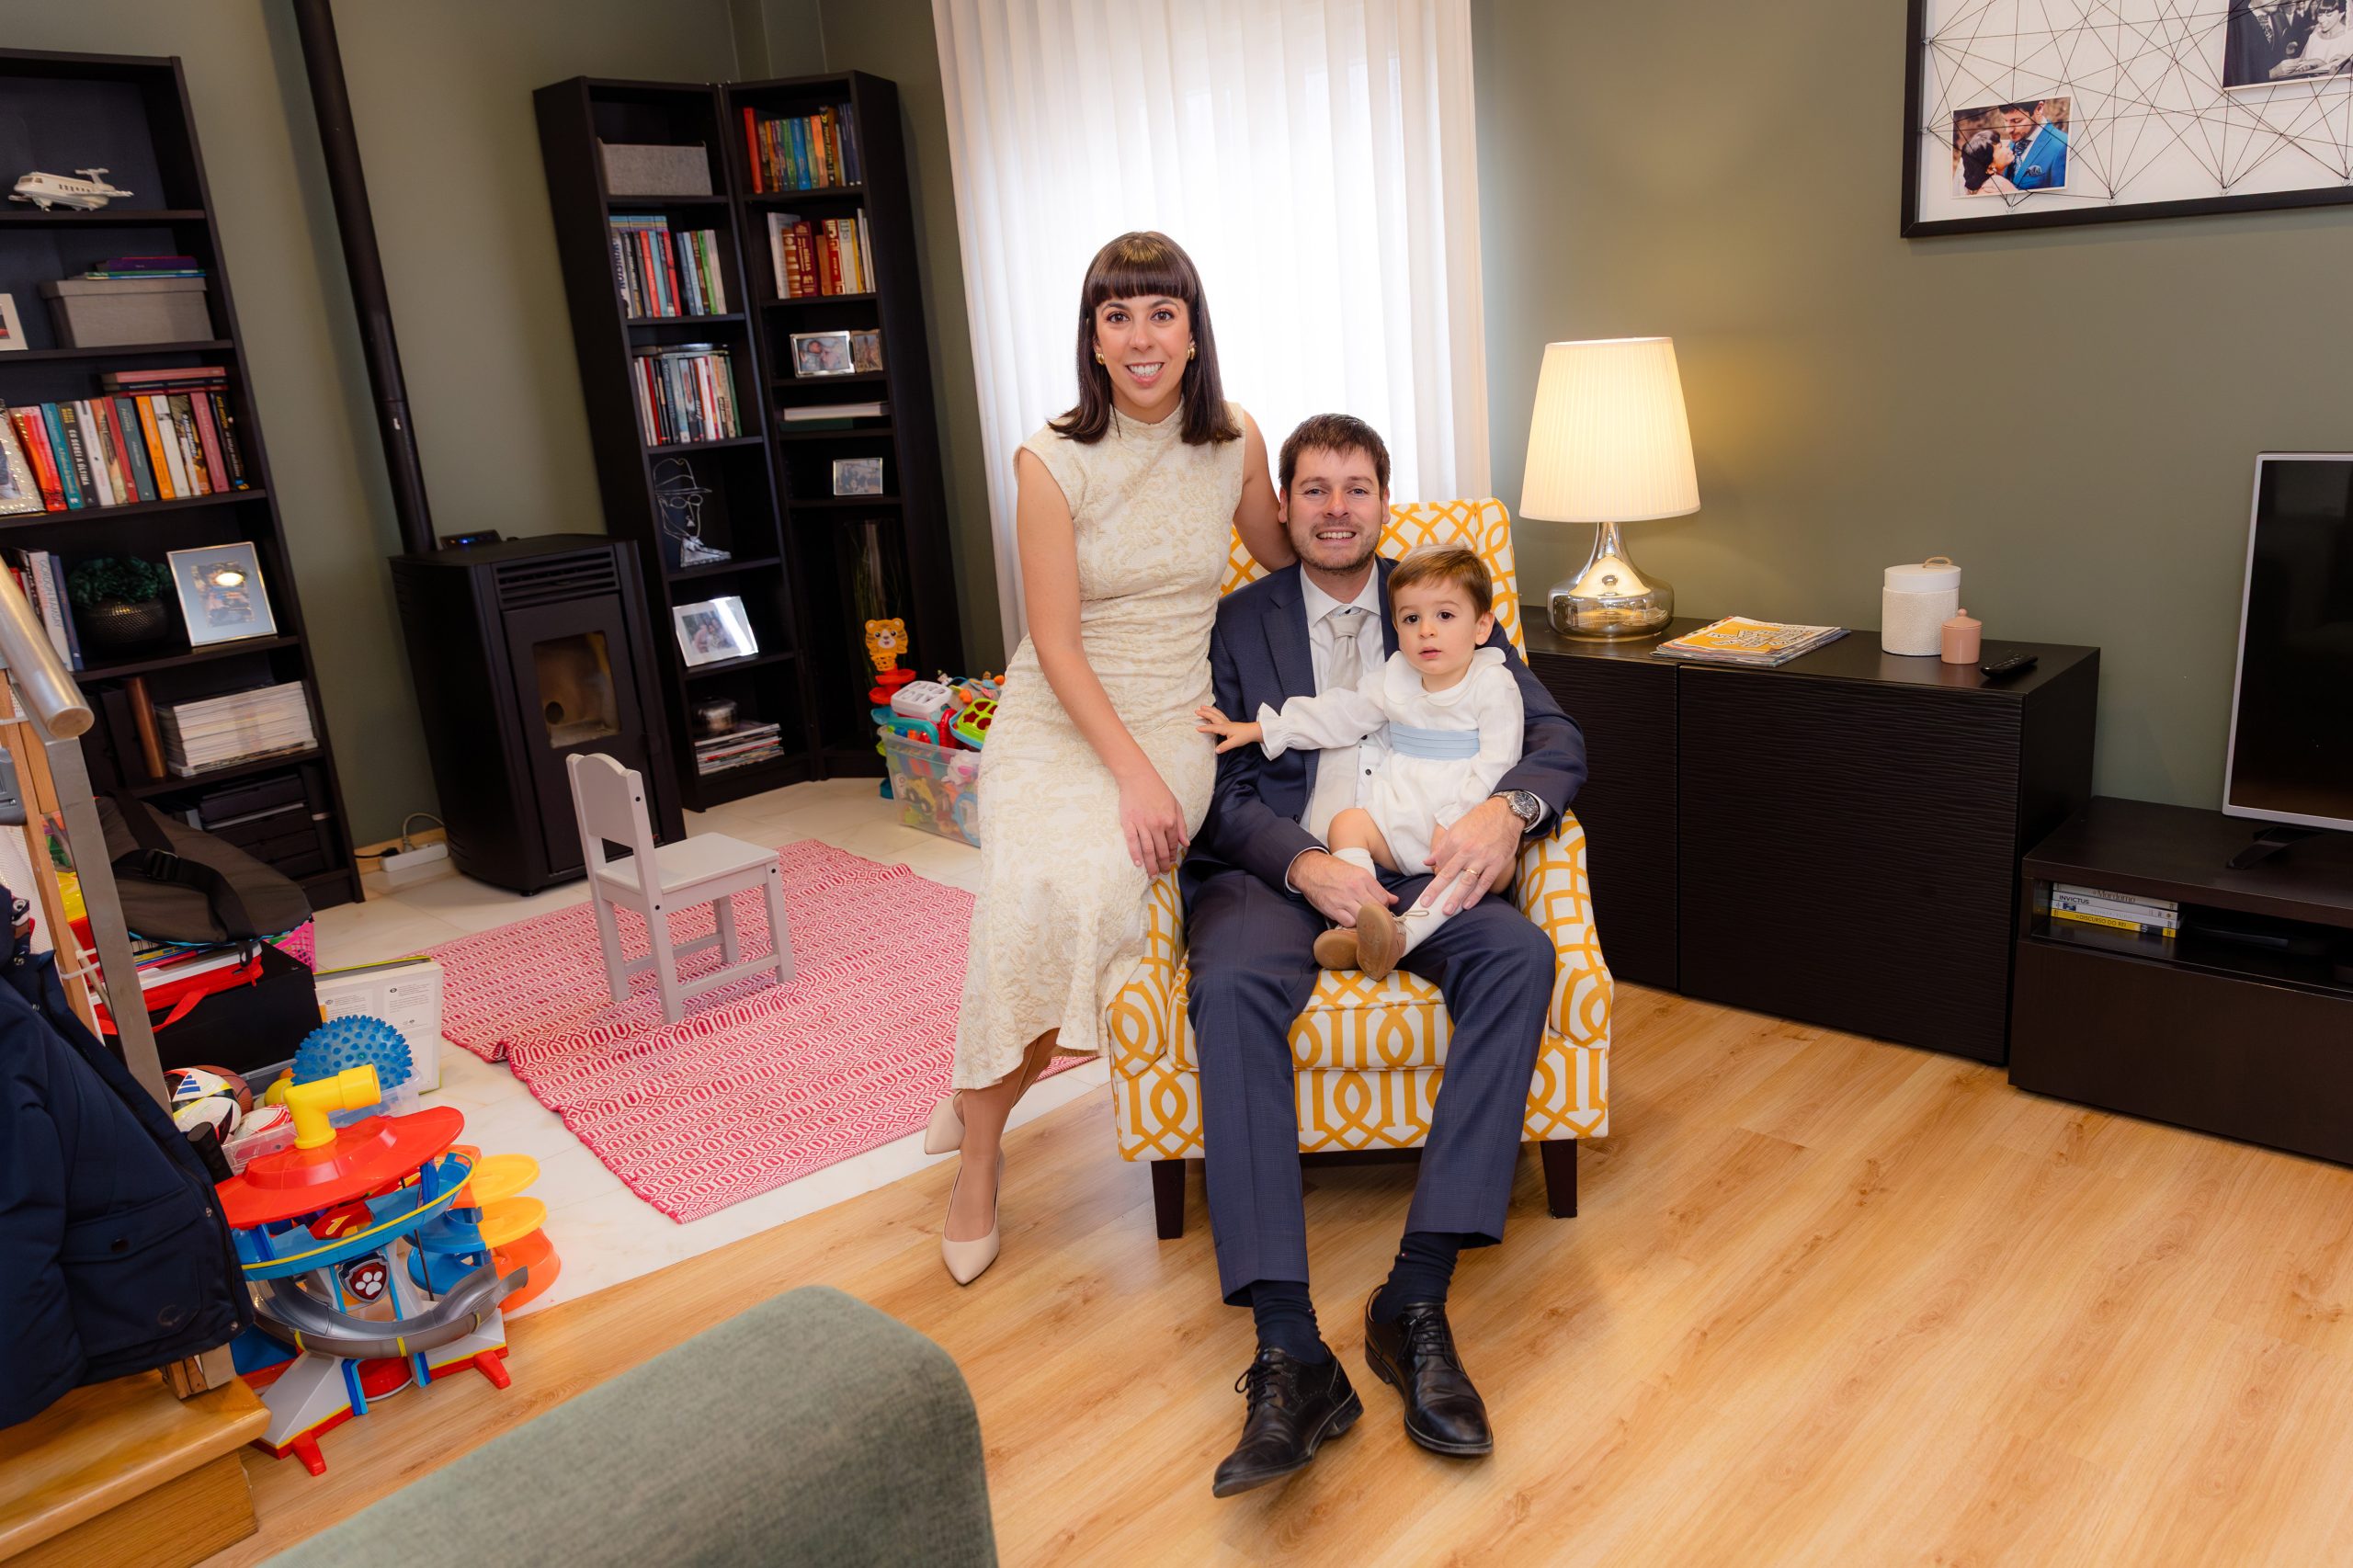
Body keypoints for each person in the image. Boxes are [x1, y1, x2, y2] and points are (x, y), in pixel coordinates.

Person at [1181, 413, 1586, 1496]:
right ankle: (1289, 1348)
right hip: (1281, 867)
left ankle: (1413, 1296)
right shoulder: (1237, 620)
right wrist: (1306, 865)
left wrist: (1508, 811)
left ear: (1383, 502)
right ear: (1281, 505)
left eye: (1355, 487)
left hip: (1425, 866)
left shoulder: (1439, 600)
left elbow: (1554, 738)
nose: (1335, 509)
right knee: (1229, 981)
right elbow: (1215, 779)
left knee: (1518, 957)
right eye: (1312, 489)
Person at [928, 232, 1290, 1285]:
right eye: (1117, 315)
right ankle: (981, 1156)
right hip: (1058, 716)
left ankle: (971, 1094)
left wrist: (1401, 571)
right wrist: (1130, 774)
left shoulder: (1233, 438)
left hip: (1173, 714)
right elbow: (1054, 640)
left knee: (1095, 897)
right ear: (1092, 337)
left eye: (1161, 313)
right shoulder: (1049, 458)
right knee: (1024, 899)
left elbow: (1284, 553)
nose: (1141, 338)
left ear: (1192, 330)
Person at [1195, 543, 1524, 980]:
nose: (1427, 631)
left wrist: (1458, 818)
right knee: (1347, 824)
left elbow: (1499, 762)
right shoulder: (1397, 674)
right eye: (1412, 619)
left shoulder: (1494, 683)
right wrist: (1263, 729)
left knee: (1483, 881)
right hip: (1399, 818)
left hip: (1458, 819)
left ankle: (1405, 933)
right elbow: (1341, 713)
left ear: (1482, 626)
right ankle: (1360, 921)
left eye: (1445, 616)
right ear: (1397, 625)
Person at [1990, 102, 2067, 191]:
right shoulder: (2012, 141)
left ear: (2039, 109)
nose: (2008, 130)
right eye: (2005, 120)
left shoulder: (2062, 146)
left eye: (2017, 121)